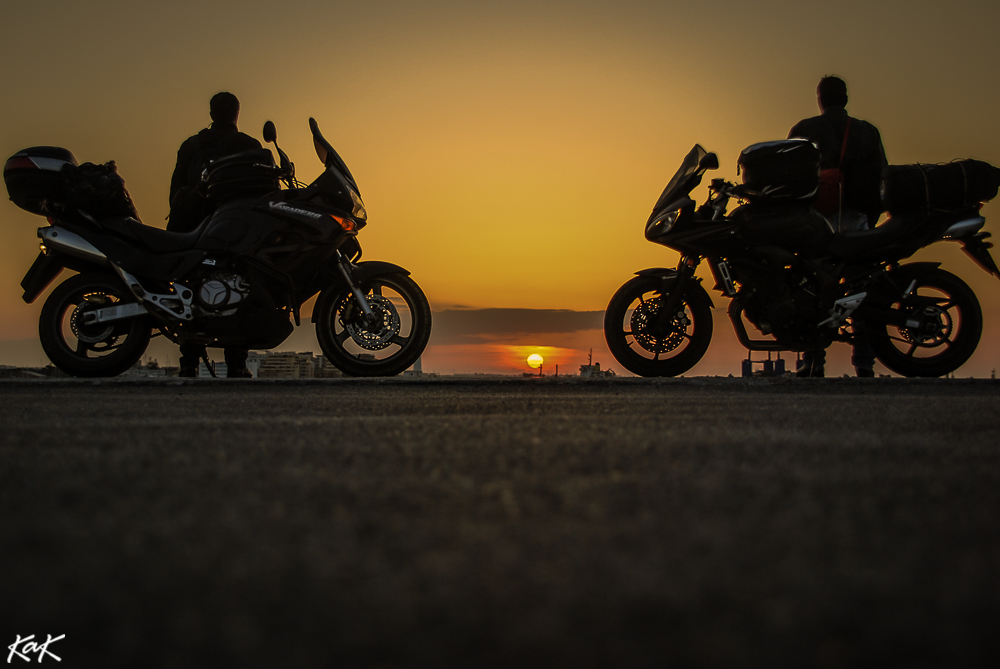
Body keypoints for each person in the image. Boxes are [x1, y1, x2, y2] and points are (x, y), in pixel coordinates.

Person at [788, 76, 888, 378]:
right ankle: (864, 362)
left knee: (814, 290)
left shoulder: (804, 130)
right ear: (845, 98)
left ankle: (813, 361)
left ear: (821, 99)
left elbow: (791, 179)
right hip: (857, 221)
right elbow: (882, 179)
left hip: (816, 222)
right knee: (861, 288)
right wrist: (870, 221)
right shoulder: (866, 132)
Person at [169, 92, 261, 378]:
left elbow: (176, 191)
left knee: (191, 294)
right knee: (240, 290)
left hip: (191, 232)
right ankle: (236, 364)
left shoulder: (191, 146)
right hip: (233, 233)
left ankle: (189, 363)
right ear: (237, 113)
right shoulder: (248, 145)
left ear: (211, 113)